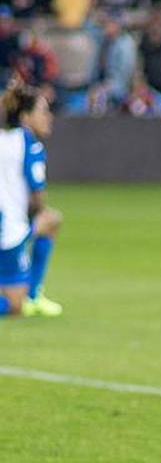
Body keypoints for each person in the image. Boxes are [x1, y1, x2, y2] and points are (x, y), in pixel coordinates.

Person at [0, 85, 62, 317]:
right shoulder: (29, 144)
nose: (49, 118)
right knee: (15, 306)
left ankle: (32, 294)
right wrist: (28, 224)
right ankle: (32, 295)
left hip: (5, 225)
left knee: (51, 220)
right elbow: (38, 196)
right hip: (8, 232)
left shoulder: (4, 139)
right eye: (43, 112)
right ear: (26, 117)